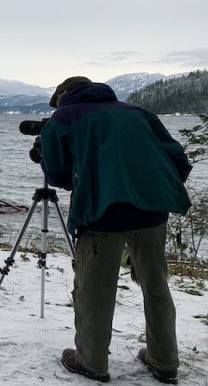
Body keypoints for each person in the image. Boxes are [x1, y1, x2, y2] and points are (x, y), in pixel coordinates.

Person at [40, 76, 192, 384]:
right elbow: (179, 160)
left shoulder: (65, 117)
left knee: (95, 289)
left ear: (63, 96)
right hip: (152, 208)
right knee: (155, 285)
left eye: (56, 102)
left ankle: (91, 362)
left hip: (102, 212)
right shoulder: (138, 112)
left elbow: (57, 174)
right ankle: (164, 362)